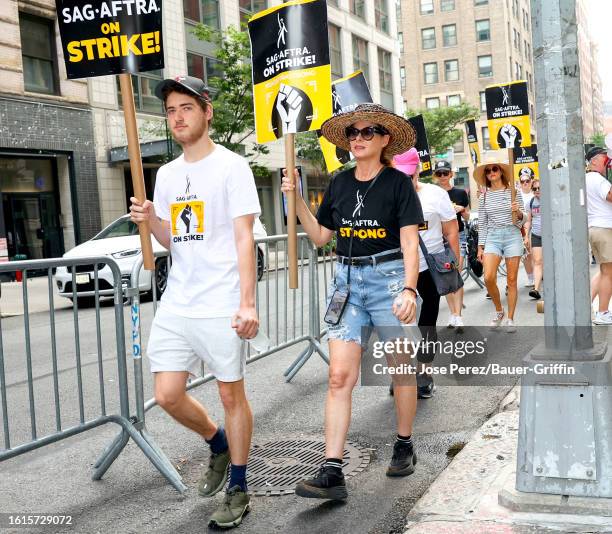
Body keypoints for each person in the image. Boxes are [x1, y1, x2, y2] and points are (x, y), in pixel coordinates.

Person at [129, 75, 260, 529]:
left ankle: (239, 487)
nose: (178, 117)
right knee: (166, 395)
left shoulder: (232, 167)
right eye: (170, 111)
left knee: (230, 392)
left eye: (186, 107)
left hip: (222, 300)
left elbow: (244, 238)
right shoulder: (166, 174)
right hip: (178, 300)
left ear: (207, 111)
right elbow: (174, 239)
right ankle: (217, 442)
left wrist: (248, 303)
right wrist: (151, 221)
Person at [281, 103, 424, 500]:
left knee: (400, 368)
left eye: (367, 132)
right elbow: (321, 237)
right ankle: (332, 470)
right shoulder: (340, 183)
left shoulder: (398, 183)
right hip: (346, 281)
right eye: (352, 134)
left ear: (384, 139)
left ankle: (403, 443)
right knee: (339, 377)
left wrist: (410, 289)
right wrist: (295, 203)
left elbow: (410, 242)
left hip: (389, 279)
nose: (358, 139)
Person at [395, 150, 460, 398]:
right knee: (398, 325)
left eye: (409, 176)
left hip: (428, 268)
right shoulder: (390, 193)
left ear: (418, 171)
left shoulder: (436, 194)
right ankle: (400, 373)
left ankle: (424, 373)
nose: (405, 181)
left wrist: (455, 259)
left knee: (426, 323)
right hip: (397, 269)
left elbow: (451, 230)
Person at [475, 160, 526, 332]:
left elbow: (524, 219)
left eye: (494, 169)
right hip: (493, 236)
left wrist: (517, 211)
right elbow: (482, 223)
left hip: (512, 235)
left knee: (512, 280)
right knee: (488, 277)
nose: (491, 172)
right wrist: (480, 247)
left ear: (501, 172)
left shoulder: (514, 192)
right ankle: (499, 311)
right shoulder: (484, 197)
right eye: (488, 171)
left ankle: (510, 318)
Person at [432, 160, 469, 331]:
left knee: (456, 274)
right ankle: (453, 313)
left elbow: (467, 218)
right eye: (439, 174)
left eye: (445, 173)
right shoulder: (431, 194)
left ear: (451, 174)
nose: (442, 177)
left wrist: (461, 210)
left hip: (458, 235)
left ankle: (458, 315)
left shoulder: (460, 193)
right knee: (445, 276)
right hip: (438, 238)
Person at [585, 146, 612, 324]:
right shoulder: (598, 179)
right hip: (604, 229)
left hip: (595, 228)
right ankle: (603, 313)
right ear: (594, 160)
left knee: (603, 271)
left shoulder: (587, 178)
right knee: (609, 273)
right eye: (604, 156)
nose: (607, 159)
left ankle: (585, 306)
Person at [523, 180, 542, 300]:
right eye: (534, 189)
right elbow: (529, 220)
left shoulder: (551, 199)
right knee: (538, 261)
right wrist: (526, 236)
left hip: (551, 236)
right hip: (536, 235)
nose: (537, 191)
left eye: (539, 188)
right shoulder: (530, 202)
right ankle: (536, 288)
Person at [518, 168, 535, 288]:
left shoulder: (536, 193)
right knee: (526, 254)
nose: (525, 183)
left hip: (536, 226)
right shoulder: (517, 195)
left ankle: (538, 273)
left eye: (527, 181)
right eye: (522, 181)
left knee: (534, 254)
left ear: (531, 181)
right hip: (521, 227)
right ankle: (530, 277)